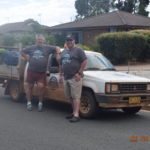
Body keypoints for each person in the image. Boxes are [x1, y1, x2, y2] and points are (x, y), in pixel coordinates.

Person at [21, 34, 60, 111]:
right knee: (30, 87)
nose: (40, 41)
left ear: (43, 41)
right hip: (31, 70)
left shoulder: (47, 47)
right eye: (39, 40)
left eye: (41, 40)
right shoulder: (31, 47)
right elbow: (22, 51)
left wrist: (58, 53)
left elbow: (57, 48)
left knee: (41, 87)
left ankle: (40, 103)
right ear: (36, 40)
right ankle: (29, 103)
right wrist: (26, 57)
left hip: (41, 72)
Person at [60, 35, 87, 122]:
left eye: (70, 40)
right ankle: (73, 112)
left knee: (76, 97)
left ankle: (76, 115)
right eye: (67, 41)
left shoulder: (78, 50)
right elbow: (61, 63)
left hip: (75, 77)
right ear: (66, 42)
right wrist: (61, 74)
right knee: (70, 97)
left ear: (74, 41)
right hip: (66, 77)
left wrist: (79, 73)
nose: (69, 42)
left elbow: (84, 61)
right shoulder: (63, 51)